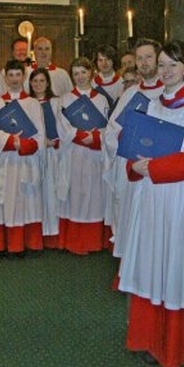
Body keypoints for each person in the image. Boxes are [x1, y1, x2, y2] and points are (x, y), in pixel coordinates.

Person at [111, 40, 184, 367]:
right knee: (152, 264)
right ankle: (148, 337)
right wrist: (133, 166)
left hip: (181, 201)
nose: (165, 71)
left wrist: (154, 168)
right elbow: (131, 147)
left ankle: (178, 345)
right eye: (161, 65)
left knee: (175, 265)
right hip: (151, 200)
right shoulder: (148, 104)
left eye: (172, 65)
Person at [105, 38, 163, 251]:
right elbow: (111, 130)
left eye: (149, 57)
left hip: (154, 166)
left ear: (158, 59)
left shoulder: (166, 92)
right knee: (126, 212)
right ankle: (125, 266)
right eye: (140, 58)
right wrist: (122, 137)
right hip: (127, 163)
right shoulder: (130, 93)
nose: (144, 62)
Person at [0, 59, 45, 258]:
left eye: (18, 75)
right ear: (5, 77)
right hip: (3, 160)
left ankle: (21, 245)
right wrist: (11, 141)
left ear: (23, 76)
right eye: (10, 75)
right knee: (1, 200)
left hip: (24, 161)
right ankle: (2, 245)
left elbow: (39, 136)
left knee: (22, 201)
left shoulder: (33, 103)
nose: (14, 79)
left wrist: (23, 145)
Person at [57, 56, 109, 255]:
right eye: (76, 73)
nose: (80, 77)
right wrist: (79, 136)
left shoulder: (101, 99)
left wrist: (95, 137)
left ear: (91, 73)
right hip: (74, 153)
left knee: (94, 194)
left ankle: (93, 242)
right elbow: (62, 126)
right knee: (76, 193)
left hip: (94, 154)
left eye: (83, 72)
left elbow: (107, 127)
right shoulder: (66, 99)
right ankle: (75, 242)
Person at [29, 68, 61, 249]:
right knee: (36, 193)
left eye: (42, 81)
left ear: (48, 83)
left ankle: (52, 233)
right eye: (35, 81)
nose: (38, 84)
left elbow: (62, 126)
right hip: (34, 153)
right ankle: (38, 234)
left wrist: (52, 142)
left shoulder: (55, 103)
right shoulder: (27, 103)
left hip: (52, 153)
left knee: (51, 191)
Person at [92, 44, 123, 113]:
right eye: (100, 60)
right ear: (96, 62)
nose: (104, 63)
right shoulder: (92, 84)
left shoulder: (121, 83)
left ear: (113, 61)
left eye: (107, 59)